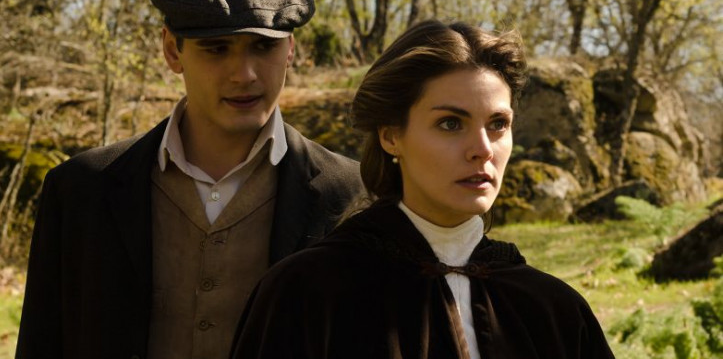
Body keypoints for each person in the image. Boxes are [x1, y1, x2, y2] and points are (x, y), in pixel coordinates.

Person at [15, 0, 363, 358]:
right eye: (217, 48)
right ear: (171, 50)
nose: (244, 74)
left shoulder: (352, 195)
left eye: (262, 46)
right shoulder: (80, 190)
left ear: (290, 49)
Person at [230, 20, 615, 359]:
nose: (483, 148)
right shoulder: (308, 293)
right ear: (391, 136)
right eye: (451, 123)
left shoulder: (552, 309)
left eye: (498, 124)